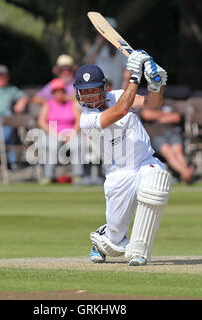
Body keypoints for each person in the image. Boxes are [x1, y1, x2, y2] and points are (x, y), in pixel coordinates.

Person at [77, 50, 171, 266]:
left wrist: (155, 85)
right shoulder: (87, 119)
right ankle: (103, 239)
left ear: (104, 89)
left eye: (93, 90)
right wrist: (136, 77)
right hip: (119, 172)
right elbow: (119, 112)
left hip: (144, 160)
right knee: (115, 239)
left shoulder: (117, 95)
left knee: (156, 184)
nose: (89, 96)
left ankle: (140, 251)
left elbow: (152, 104)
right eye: (85, 92)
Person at [37, 78, 83, 184]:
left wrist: (71, 134)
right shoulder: (48, 104)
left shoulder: (71, 104)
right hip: (52, 133)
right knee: (53, 145)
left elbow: (78, 120)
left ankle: (77, 175)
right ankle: (48, 176)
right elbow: (41, 122)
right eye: (57, 91)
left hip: (70, 134)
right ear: (53, 93)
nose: (59, 93)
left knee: (78, 144)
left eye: (62, 91)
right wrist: (56, 134)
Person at [140, 105, 195, 183]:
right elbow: (147, 115)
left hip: (172, 132)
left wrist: (156, 116)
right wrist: (165, 115)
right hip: (156, 134)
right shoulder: (148, 102)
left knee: (178, 151)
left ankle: (184, 174)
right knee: (168, 151)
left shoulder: (170, 102)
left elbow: (176, 117)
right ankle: (185, 173)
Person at [83, 17, 130, 90]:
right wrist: (98, 46)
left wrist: (124, 90)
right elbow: (87, 64)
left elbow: (128, 70)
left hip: (116, 89)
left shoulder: (121, 47)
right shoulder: (97, 46)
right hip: (99, 88)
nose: (100, 35)